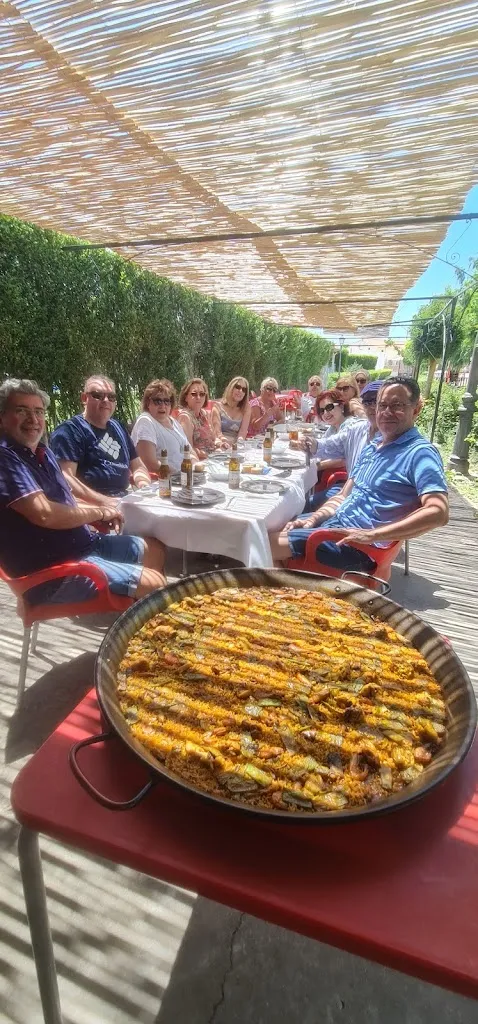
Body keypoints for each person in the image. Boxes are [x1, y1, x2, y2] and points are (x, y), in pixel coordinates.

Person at [0, 379, 166, 605]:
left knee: (154, 549)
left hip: (83, 545)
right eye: (21, 410)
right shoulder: (6, 458)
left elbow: (65, 499)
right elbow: (45, 513)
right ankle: (137, 610)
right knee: (156, 584)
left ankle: (133, 607)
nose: (33, 419)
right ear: (2, 418)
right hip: (51, 573)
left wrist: (100, 512)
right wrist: (98, 512)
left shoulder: (41, 452)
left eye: (38, 411)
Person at [270, 376, 449, 573]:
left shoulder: (420, 453)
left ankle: (294, 592)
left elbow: (438, 512)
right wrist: (314, 519)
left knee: (264, 545)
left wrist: (372, 535)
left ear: (416, 410)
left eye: (397, 405)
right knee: (275, 528)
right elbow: (342, 496)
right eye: (382, 405)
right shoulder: (373, 446)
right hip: (336, 526)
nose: (386, 412)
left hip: (358, 547)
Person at [50, 375, 150, 498]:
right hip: (92, 506)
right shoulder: (69, 431)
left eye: (111, 397)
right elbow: (66, 478)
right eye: (98, 395)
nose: (106, 400)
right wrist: (104, 502)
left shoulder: (118, 427)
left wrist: (143, 484)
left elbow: (138, 465)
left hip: (123, 499)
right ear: (84, 398)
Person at [303, 379, 384, 509]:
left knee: (305, 505)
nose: (326, 413)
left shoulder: (353, 426)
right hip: (350, 494)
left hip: (355, 498)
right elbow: (328, 445)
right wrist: (309, 443)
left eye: (380, 403)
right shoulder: (356, 430)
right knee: (303, 505)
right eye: (368, 402)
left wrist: (317, 465)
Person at [131, 379, 192, 474]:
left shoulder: (173, 421)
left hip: (185, 476)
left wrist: (196, 467)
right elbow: (150, 463)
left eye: (167, 401)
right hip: (165, 481)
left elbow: (189, 450)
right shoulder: (146, 421)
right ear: (148, 403)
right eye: (157, 401)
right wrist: (179, 474)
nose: (162, 406)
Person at [177, 378, 225, 459]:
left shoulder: (205, 414)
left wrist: (220, 444)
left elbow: (214, 438)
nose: (198, 397)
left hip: (215, 456)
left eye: (202, 394)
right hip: (199, 462)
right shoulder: (185, 417)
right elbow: (188, 449)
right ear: (186, 397)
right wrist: (208, 455)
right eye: (194, 394)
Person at [215, 377, 252, 442]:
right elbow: (217, 432)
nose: (240, 391)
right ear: (231, 388)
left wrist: (238, 444)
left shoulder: (246, 409)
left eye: (244, 390)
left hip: (237, 445)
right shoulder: (217, 407)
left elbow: (242, 432)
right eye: (238, 387)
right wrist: (225, 442)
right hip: (220, 443)